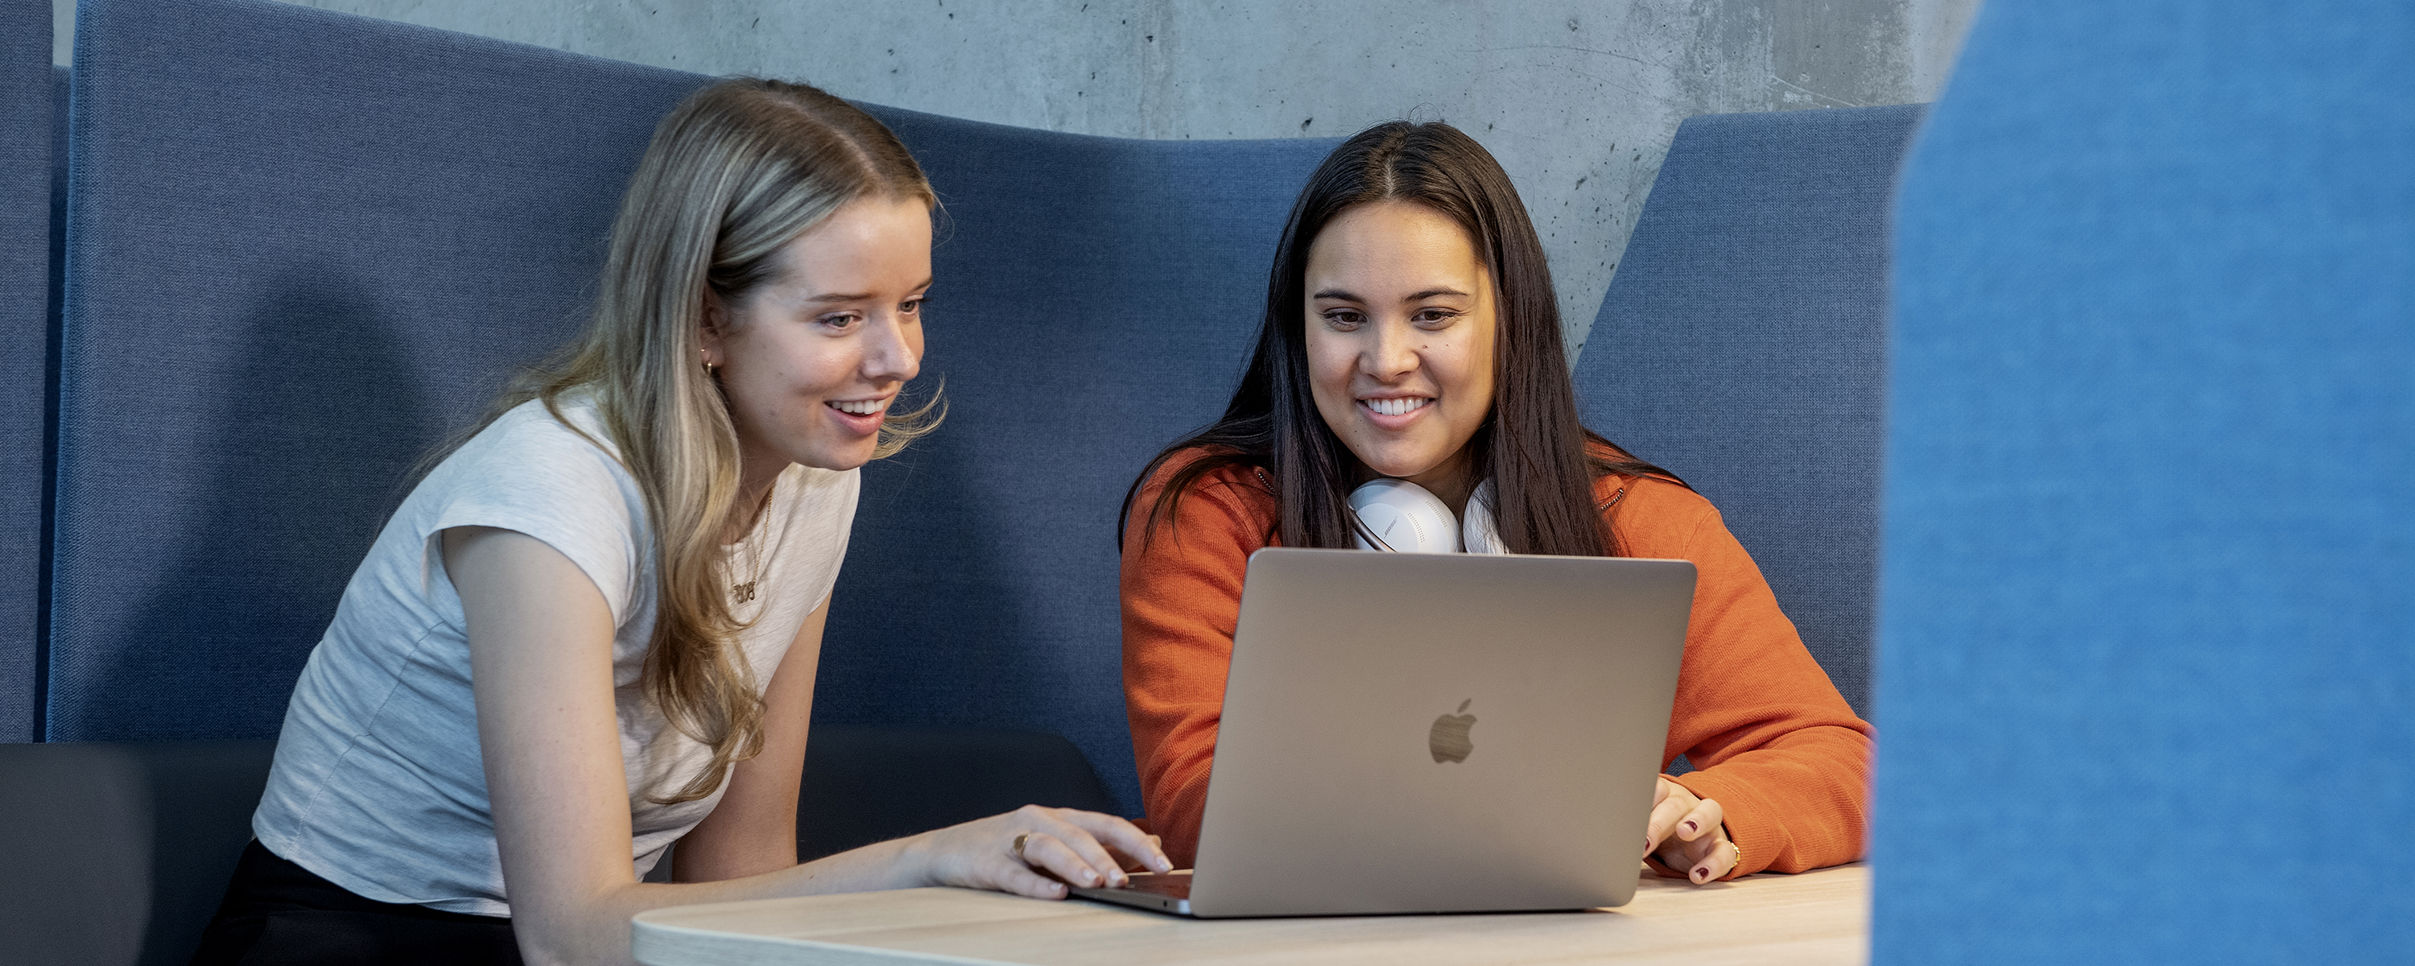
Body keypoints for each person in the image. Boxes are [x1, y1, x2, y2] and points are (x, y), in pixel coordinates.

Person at [195, 78, 1167, 966]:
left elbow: (735, 868)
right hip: (350, 939)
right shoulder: (550, 497)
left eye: (909, 304)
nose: (897, 356)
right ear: (707, 321)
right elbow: (572, 935)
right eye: (838, 318)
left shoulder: (819, 478)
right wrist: (926, 862)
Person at [1118, 121, 1872, 886]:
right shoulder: (1206, 509)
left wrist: (1703, 809)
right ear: (1297, 328)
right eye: (1343, 317)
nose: (1385, 361)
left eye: (1433, 315)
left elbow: (1846, 763)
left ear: (1509, 320)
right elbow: (1197, 807)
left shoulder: (1631, 514)